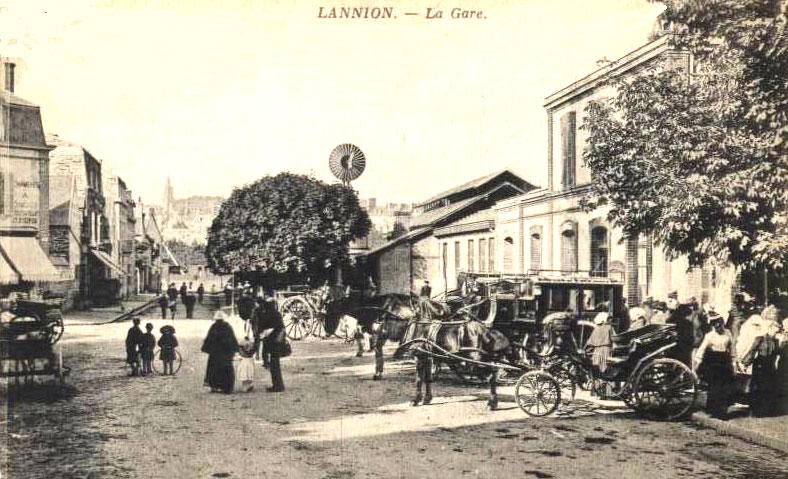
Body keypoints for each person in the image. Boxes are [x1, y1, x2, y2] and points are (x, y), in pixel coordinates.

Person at [694, 312, 735, 418]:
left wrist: (734, 361)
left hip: (725, 361)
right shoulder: (710, 336)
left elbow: (732, 348)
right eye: (716, 325)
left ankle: (722, 411)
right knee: (715, 387)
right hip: (714, 362)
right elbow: (701, 350)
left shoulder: (728, 333)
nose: (718, 327)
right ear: (713, 326)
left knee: (725, 387)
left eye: (720, 324)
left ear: (722, 323)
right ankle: (714, 410)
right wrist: (697, 362)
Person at [741, 319, 784, 416]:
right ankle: (755, 410)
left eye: (777, 332)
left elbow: (778, 353)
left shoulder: (776, 341)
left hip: (770, 365)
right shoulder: (760, 338)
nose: (775, 333)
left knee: (768, 388)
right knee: (758, 387)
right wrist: (746, 364)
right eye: (774, 330)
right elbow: (752, 351)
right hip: (760, 364)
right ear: (770, 328)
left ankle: (765, 410)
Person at [201, 311, 239, 393]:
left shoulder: (214, 327)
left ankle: (215, 386)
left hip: (215, 352)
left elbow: (209, 339)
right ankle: (227, 387)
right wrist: (234, 349)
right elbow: (232, 338)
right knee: (226, 369)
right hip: (226, 352)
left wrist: (207, 348)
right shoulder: (228, 327)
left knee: (214, 369)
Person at [255, 296, 286, 392]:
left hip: (271, 342)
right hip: (278, 341)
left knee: (274, 365)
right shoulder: (277, 314)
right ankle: (278, 384)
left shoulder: (265, 315)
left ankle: (277, 386)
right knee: (275, 364)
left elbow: (261, 328)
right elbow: (281, 327)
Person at [586, 312, 615, 397]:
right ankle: (607, 393)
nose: (610, 320)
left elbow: (590, 343)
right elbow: (614, 339)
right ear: (604, 320)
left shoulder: (596, 329)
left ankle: (596, 392)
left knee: (597, 372)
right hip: (607, 351)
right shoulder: (610, 328)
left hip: (597, 352)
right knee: (607, 372)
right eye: (608, 319)